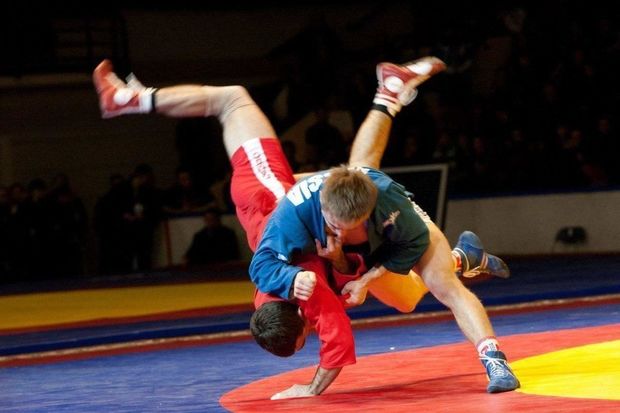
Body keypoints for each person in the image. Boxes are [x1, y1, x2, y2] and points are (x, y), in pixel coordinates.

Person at [93, 56, 518, 398]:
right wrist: (349, 268)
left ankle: (130, 99)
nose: (315, 329)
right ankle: (460, 253)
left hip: (274, 195)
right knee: (405, 299)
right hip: (301, 206)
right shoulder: (294, 273)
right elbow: (330, 294)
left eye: (308, 331)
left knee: (240, 103)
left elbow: (334, 334)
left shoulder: (313, 253)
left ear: (301, 314)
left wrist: (313, 385)